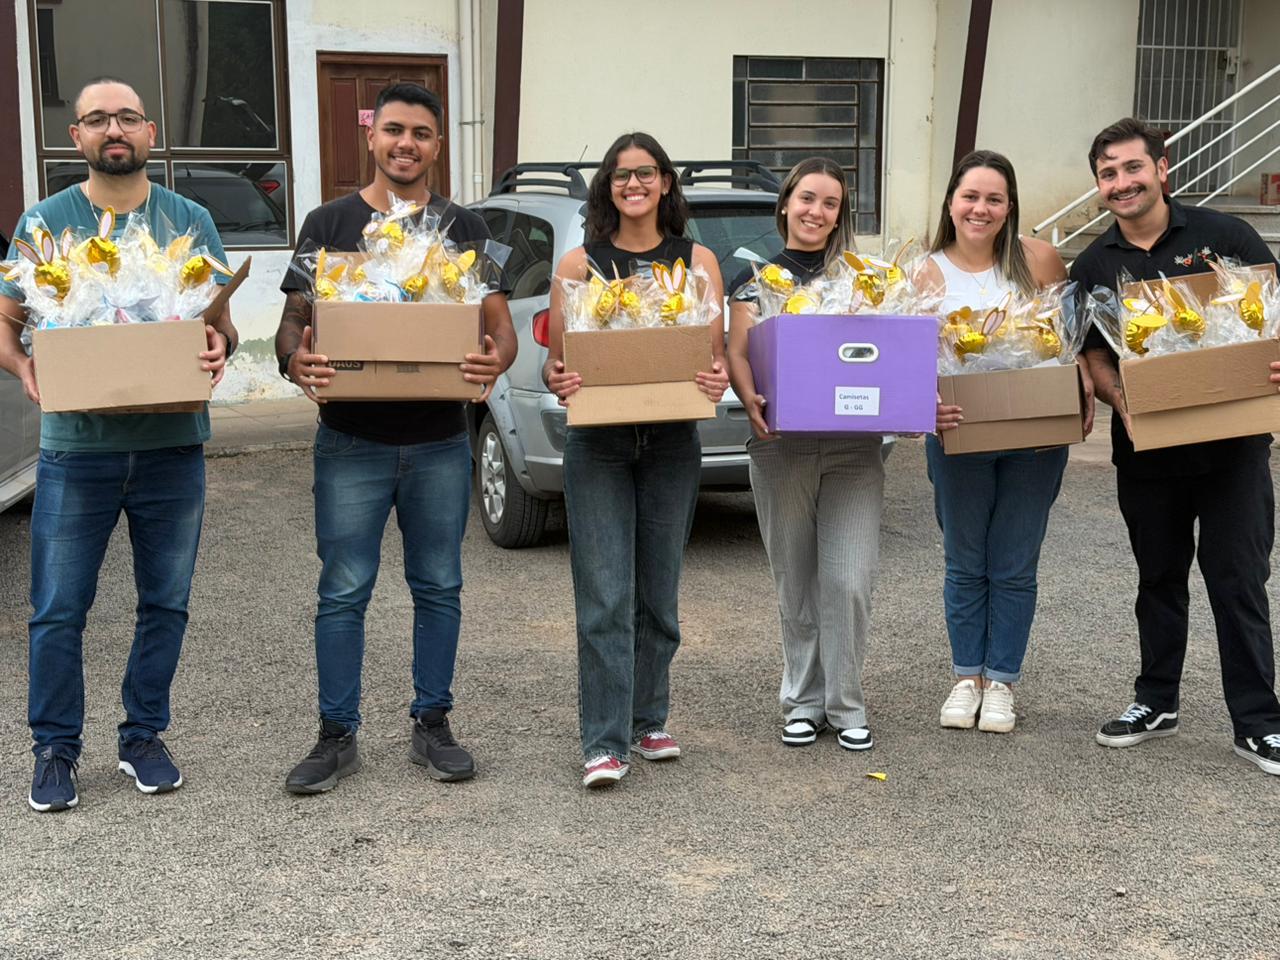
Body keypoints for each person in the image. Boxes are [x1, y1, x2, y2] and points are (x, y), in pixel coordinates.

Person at [0, 77, 236, 812]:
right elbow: (7, 323)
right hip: (77, 448)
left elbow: (219, 324)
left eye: (127, 117)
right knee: (58, 608)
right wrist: (25, 365)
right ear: (75, 137)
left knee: (164, 603)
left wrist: (219, 349)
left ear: (150, 132)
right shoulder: (45, 223)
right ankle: (55, 749)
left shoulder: (189, 219)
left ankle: (142, 738)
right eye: (97, 119)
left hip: (173, 445)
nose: (114, 129)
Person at [275, 82, 516, 793]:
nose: (406, 143)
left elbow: (499, 331)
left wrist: (493, 359)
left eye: (421, 133)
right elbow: (293, 320)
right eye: (394, 131)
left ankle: (432, 723)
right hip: (350, 439)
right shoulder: (328, 223)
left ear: (438, 145)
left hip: (442, 441)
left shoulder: (466, 230)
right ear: (371, 138)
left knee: (438, 584)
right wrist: (296, 360)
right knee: (342, 591)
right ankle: (335, 735)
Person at [1072, 117, 1280, 776]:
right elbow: (1094, 359)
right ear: (1100, 186)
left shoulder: (1227, 236)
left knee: (1237, 580)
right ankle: (1155, 701)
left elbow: (1272, 318)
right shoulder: (1094, 265)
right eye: (1108, 174)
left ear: (1162, 169)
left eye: (1132, 168)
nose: (1122, 183)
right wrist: (1123, 403)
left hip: (1233, 447)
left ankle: (1259, 721)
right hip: (1149, 451)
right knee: (1158, 578)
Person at [543, 132, 729, 788]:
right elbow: (556, 363)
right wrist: (559, 379)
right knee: (603, 594)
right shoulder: (577, 266)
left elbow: (713, 356)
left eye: (645, 173)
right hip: (599, 443)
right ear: (608, 188)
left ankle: (649, 719)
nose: (634, 185)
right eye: (621, 176)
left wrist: (717, 380)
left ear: (666, 183)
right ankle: (604, 739)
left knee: (660, 593)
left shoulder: (697, 260)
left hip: (672, 440)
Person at [920, 150, 1090, 735]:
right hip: (958, 429)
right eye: (971, 196)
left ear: (1010, 206)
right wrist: (924, 405)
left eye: (994, 198)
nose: (981, 208)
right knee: (965, 560)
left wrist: (1082, 390)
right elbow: (909, 364)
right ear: (951, 201)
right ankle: (966, 675)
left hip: (1036, 434)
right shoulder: (923, 272)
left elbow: (1069, 344)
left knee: (1015, 562)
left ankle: (1002, 682)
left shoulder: (1039, 259)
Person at [724, 157, 884, 752]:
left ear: (840, 215)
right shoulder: (756, 278)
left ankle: (846, 703)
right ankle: (802, 700)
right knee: (796, 577)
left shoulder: (864, 280)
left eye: (831, 204)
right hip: (780, 443)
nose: (817, 212)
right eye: (808, 199)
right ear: (787, 203)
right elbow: (738, 350)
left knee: (848, 578)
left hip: (854, 448)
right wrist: (750, 397)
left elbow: (885, 352)